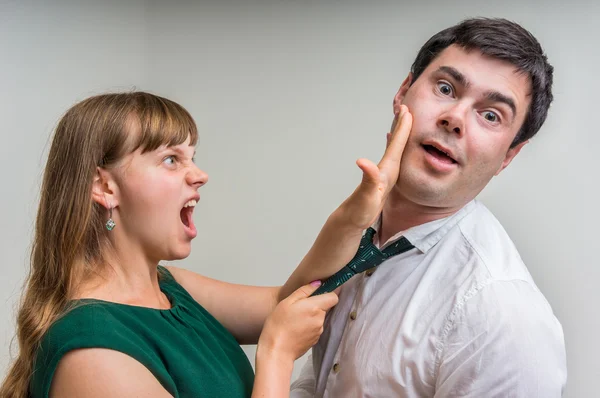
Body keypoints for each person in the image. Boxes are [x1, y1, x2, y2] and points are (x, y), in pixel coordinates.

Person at [0, 92, 413, 397]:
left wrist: (360, 211)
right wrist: (276, 355)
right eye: (170, 160)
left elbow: (289, 301)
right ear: (104, 186)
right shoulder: (93, 354)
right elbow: (281, 326)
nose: (199, 175)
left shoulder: (169, 288)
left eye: (192, 157)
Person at [291, 17, 567, 397]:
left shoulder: (503, 316)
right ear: (403, 91)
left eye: (491, 115)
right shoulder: (355, 236)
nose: (454, 119)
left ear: (509, 156)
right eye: (445, 88)